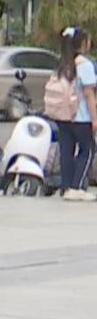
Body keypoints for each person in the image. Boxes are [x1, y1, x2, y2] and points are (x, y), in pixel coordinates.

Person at [46, 26, 97, 200]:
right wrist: (95, 118)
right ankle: (77, 188)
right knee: (87, 150)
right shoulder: (85, 65)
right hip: (81, 117)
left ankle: (66, 187)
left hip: (62, 116)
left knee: (66, 152)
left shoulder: (61, 64)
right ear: (82, 43)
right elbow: (89, 95)